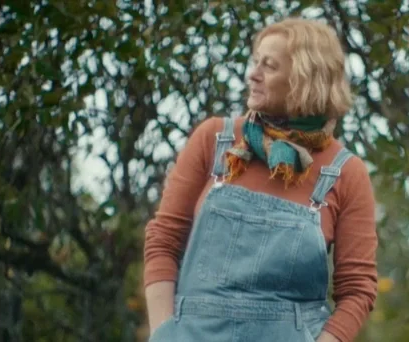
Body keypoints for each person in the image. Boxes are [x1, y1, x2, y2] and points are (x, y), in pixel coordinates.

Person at [142, 18, 378, 342]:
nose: (252, 75)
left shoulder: (345, 172)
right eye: (256, 62)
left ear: (304, 80)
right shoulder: (214, 140)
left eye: (269, 66)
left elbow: (357, 290)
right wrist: (164, 333)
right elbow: (163, 240)